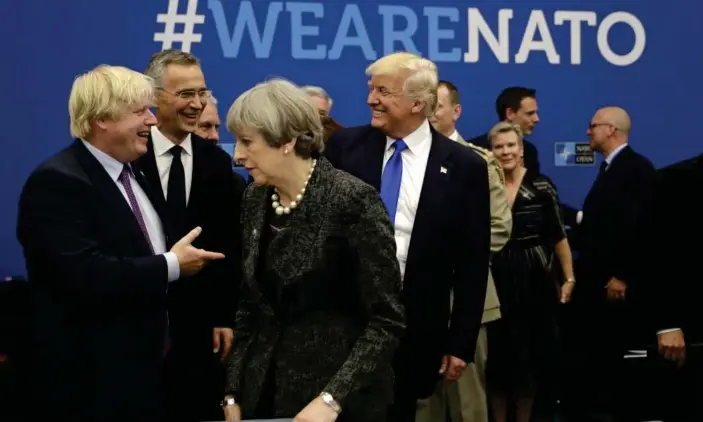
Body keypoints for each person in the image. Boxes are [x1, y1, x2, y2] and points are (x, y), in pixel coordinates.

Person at [16, 65, 224, 422]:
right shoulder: (57, 183)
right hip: (91, 384)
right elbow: (81, 275)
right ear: (102, 120)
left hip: (150, 377)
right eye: (140, 112)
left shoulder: (134, 171)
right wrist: (172, 265)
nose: (152, 121)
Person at [222, 79, 405, 422]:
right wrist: (232, 394)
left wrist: (332, 400)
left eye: (247, 142)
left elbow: (386, 320)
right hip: (262, 396)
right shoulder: (255, 198)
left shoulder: (353, 201)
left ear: (287, 140)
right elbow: (250, 306)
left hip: (339, 404)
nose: (237, 155)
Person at [325, 52, 491, 422]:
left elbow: (472, 263)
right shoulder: (344, 149)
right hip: (344, 325)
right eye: (371, 90)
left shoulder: (465, 167)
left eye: (383, 91)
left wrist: (460, 343)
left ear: (417, 103)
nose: (371, 99)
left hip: (414, 331)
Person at [137, 49, 246, 421]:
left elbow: (228, 243)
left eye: (202, 92)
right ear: (154, 96)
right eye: (185, 94)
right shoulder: (130, 156)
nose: (197, 104)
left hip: (199, 326)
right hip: (138, 317)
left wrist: (223, 316)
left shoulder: (216, 161)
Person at [487, 122, 575, 422]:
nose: (506, 151)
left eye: (511, 145)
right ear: (492, 152)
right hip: (496, 277)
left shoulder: (541, 185)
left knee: (529, 361)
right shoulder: (484, 186)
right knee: (496, 361)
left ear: (521, 149)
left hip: (534, 279)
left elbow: (558, 236)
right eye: (499, 146)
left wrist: (569, 278)